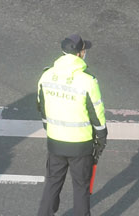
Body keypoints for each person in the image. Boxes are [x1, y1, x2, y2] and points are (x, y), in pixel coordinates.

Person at [35, 35, 106, 216]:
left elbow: (42, 108)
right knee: (81, 188)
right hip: (81, 145)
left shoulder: (46, 75)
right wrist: (101, 138)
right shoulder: (88, 80)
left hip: (55, 141)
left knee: (52, 184)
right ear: (80, 53)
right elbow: (96, 114)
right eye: (84, 50)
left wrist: (50, 129)